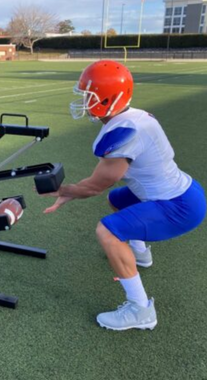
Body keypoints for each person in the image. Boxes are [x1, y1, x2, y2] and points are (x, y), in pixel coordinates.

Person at [42, 60, 206, 331]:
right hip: (183, 191)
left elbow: (97, 184)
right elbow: (106, 188)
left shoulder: (125, 132)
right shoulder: (135, 116)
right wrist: (72, 192)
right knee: (116, 200)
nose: (84, 100)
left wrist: (65, 191)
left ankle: (141, 309)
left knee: (107, 231)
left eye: (89, 95)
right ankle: (140, 254)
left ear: (110, 97)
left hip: (178, 206)